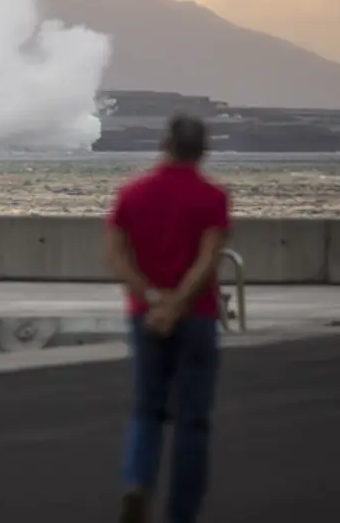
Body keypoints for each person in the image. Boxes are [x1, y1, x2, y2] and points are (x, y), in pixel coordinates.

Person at [105, 114, 231, 523]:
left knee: (147, 410)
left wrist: (152, 299)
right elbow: (208, 259)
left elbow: (116, 256)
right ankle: (182, 512)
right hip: (197, 317)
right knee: (193, 421)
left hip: (146, 317)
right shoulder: (213, 197)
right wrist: (178, 304)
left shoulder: (132, 193)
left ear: (165, 144)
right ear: (203, 150)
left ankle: (138, 482)